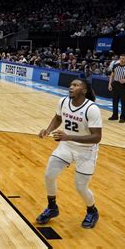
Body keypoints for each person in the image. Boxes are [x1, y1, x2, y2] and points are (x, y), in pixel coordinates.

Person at [36, 79, 102, 229]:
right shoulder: (63, 102)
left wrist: (69, 136)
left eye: (76, 85)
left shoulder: (92, 109)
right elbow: (58, 118)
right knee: (49, 175)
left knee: (80, 187)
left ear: (84, 91)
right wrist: (47, 130)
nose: (71, 87)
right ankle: (52, 207)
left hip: (86, 151)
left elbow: (97, 137)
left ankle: (92, 211)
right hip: (66, 146)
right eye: (71, 84)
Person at [108, 54, 125, 123]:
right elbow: (112, 75)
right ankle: (115, 115)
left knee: (124, 102)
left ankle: (122, 118)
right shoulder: (115, 66)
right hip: (115, 84)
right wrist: (110, 84)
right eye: (120, 58)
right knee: (115, 101)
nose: (121, 60)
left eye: (123, 58)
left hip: (124, 86)